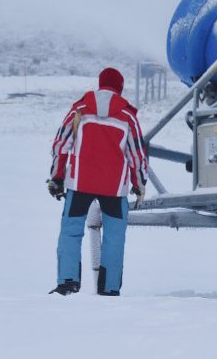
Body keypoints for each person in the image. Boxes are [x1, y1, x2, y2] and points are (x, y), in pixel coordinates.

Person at [46, 67, 148, 296]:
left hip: (79, 183)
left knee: (71, 231)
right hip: (114, 188)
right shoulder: (127, 116)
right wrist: (139, 184)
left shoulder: (80, 110)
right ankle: (109, 288)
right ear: (120, 88)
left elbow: (61, 145)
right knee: (114, 238)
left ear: (100, 83)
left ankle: (67, 282)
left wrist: (56, 177)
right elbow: (137, 156)